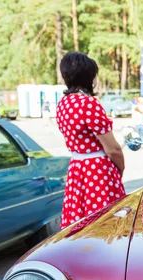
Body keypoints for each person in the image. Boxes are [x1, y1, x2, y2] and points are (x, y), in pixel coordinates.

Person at [56, 52, 125, 229]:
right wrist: (120, 169)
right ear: (89, 76)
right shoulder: (88, 104)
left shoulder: (63, 104)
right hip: (97, 172)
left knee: (79, 226)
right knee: (105, 226)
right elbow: (113, 150)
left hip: (77, 171)